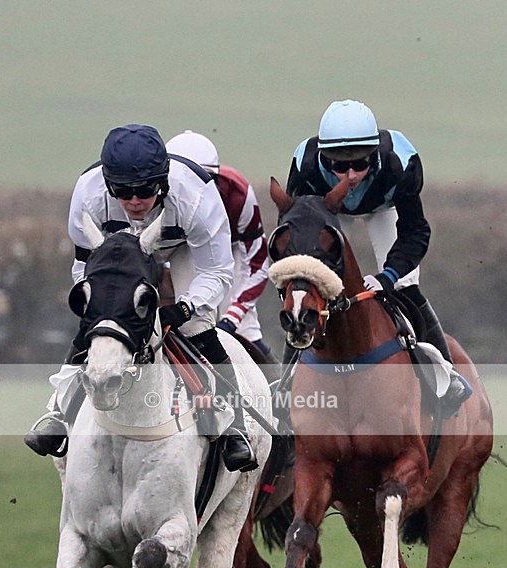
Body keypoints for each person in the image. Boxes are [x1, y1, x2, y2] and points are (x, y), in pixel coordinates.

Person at [24, 123, 258, 472]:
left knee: (197, 325)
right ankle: (58, 414)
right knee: (100, 324)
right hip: (117, 255)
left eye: (145, 190)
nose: (133, 201)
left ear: (163, 181)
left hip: (183, 251)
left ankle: (233, 427)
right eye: (121, 191)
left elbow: (218, 272)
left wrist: (183, 308)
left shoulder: (195, 197)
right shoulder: (88, 196)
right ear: (107, 184)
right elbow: (84, 267)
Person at [286, 98, 471, 415]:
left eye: (360, 163)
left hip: (385, 210)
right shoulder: (304, 166)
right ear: (322, 156)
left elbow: (416, 232)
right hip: (328, 209)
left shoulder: (402, 163)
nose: (351, 175)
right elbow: (298, 229)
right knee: (306, 290)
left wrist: (387, 276)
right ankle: (285, 378)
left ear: (375, 154)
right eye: (340, 165)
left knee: (405, 287)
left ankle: (446, 375)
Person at [165, 130, 272, 356]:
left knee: (246, 330)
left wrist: (231, 320)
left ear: (216, 178)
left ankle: (273, 383)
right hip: (177, 250)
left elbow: (257, 264)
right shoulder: (154, 197)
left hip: (227, 253)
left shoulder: (239, 194)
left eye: (202, 180)